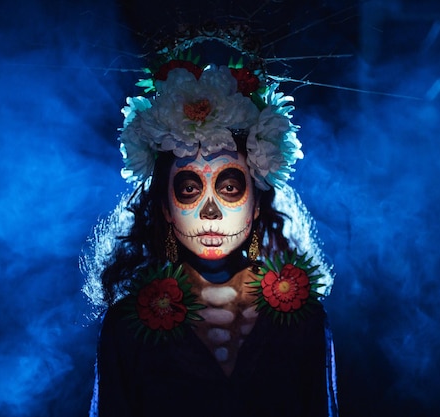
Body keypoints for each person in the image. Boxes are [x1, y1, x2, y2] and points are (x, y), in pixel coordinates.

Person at [82, 23, 338, 417]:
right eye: (188, 189)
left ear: (256, 203)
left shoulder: (301, 319)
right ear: (165, 207)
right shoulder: (126, 327)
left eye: (230, 186)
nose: (211, 211)